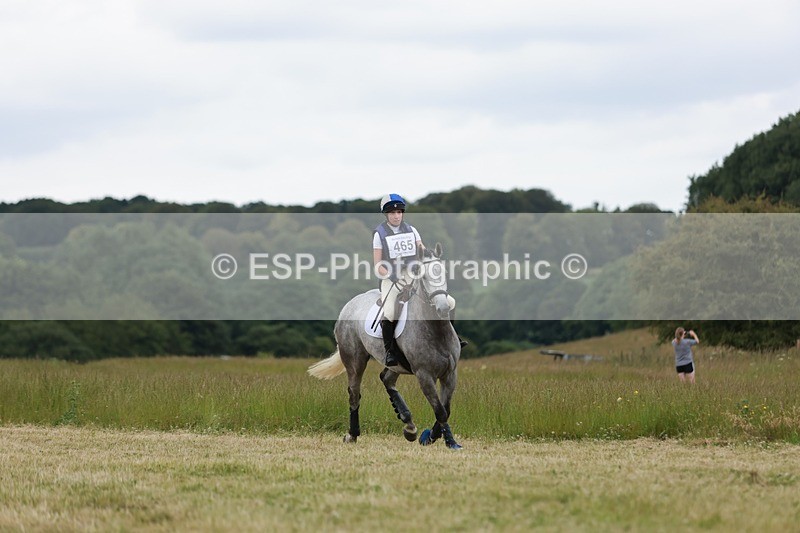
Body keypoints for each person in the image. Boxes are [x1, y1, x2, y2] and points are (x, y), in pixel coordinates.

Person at [373, 193, 465, 368]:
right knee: (391, 311)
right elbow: (378, 265)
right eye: (392, 213)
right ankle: (390, 351)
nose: (396, 216)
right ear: (386, 214)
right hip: (390, 277)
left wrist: (430, 259)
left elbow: (422, 251)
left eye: (399, 212)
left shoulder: (411, 230)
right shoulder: (380, 234)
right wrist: (391, 275)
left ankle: (452, 337)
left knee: (450, 302)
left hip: (412, 274)